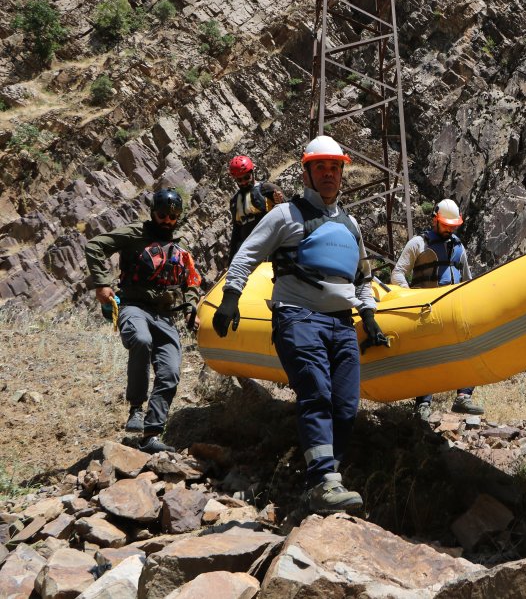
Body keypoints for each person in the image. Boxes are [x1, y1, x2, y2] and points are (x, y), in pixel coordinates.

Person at [212, 135, 390, 515]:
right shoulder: (283, 215)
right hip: (298, 316)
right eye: (321, 167)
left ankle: (323, 482)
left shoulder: (350, 223)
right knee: (317, 393)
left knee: (345, 406)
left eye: (335, 167)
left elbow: (362, 277)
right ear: (306, 172)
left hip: (342, 323)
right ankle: (325, 480)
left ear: (343, 173)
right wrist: (230, 297)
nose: (329, 174)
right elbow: (246, 256)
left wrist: (370, 317)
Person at [85, 188, 203, 453]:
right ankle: (136, 409)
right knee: (140, 339)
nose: (167, 221)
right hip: (134, 306)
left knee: (170, 372)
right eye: (162, 215)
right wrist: (102, 283)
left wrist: (190, 308)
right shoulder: (135, 233)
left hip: (165, 315)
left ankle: (150, 435)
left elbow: (191, 279)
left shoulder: (179, 242)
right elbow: (94, 246)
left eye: (173, 217)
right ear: (153, 213)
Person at [390, 199, 483, 421]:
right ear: (435, 220)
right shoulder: (418, 244)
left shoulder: (459, 247)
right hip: (427, 310)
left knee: (469, 349)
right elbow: (398, 273)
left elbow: (467, 280)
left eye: (453, 225)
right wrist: (412, 296)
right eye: (445, 224)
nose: (450, 229)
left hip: (454, 309)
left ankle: (464, 396)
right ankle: (422, 403)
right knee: (427, 357)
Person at [227, 155, 285, 263]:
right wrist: (231, 261)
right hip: (250, 253)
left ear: (253, 173)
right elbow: (236, 232)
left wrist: (281, 202)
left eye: (246, 177)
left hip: (272, 247)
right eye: (239, 180)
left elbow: (288, 213)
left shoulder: (269, 189)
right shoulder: (235, 202)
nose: (244, 182)